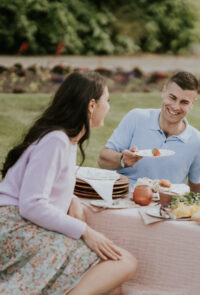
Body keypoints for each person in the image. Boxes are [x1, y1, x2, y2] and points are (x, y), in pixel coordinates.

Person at [0, 71, 137, 295]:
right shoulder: (56, 140)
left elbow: (42, 184)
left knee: (113, 287)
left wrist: (72, 200)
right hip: (14, 229)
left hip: (25, 226)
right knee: (124, 262)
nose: (109, 107)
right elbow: (31, 204)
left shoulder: (67, 140)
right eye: (107, 101)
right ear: (92, 105)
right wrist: (86, 231)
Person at [98, 71, 200, 195]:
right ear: (163, 92)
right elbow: (102, 160)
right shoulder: (136, 118)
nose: (175, 107)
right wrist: (123, 160)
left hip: (164, 207)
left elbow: (197, 185)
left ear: (193, 103)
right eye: (172, 97)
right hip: (123, 197)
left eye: (184, 102)